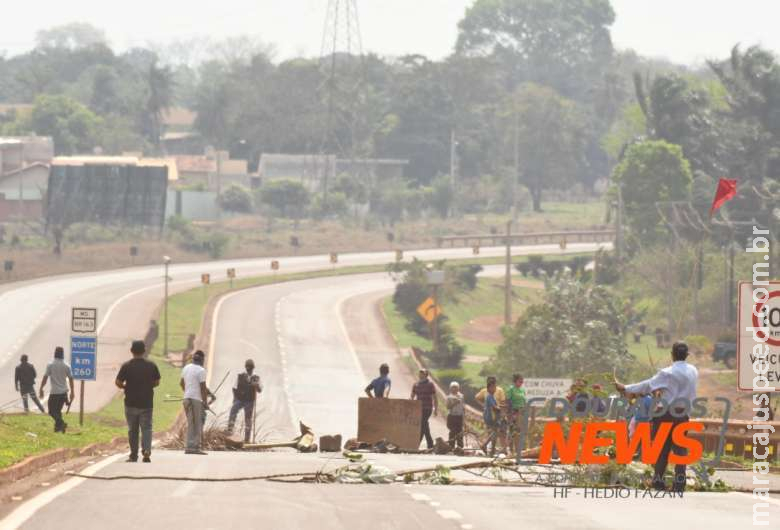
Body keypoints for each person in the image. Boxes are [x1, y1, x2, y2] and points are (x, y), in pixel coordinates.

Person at [615, 341, 698, 492]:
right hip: (683, 415)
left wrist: (625, 387)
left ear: (672, 354)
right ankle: (679, 484)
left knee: (662, 449)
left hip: (666, 414)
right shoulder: (693, 371)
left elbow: (648, 385)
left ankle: (658, 481)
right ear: (687, 355)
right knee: (680, 450)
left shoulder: (667, 373)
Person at [115, 340, 161, 463]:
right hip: (146, 403)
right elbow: (157, 382)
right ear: (144, 351)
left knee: (132, 430)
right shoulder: (151, 365)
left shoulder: (126, 366)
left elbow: (118, 382)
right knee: (146, 428)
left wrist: (126, 387)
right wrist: (148, 386)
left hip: (130, 403)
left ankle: (133, 455)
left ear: (131, 351)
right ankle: (146, 450)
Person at [38, 347, 74, 433]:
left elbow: (45, 377)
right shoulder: (66, 366)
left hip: (55, 392)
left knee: (51, 411)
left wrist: (41, 388)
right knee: (58, 411)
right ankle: (58, 428)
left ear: (55, 353)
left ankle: (62, 423)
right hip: (64, 393)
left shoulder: (50, 365)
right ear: (62, 354)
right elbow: (71, 379)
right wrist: (72, 392)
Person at [180, 350, 209, 455]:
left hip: (186, 399)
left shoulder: (186, 368)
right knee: (197, 423)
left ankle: (189, 447)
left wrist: (187, 391)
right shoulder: (201, 370)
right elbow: (203, 388)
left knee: (191, 423)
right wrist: (205, 402)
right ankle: (195, 447)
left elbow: (181, 383)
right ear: (202, 359)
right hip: (196, 400)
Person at [227, 359, 262, 442]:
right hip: (240, 399)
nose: (248, 369)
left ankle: (247, 439)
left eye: (250, 368)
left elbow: (260, 390)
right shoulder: (240, 376)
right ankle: (229, 431)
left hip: (249, 401)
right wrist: (235, 399)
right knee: (233, 411)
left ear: (253, 368)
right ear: (245, 368)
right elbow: (234, 388)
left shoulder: (256, 378)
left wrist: (256, 386)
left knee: (248, 419)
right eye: (247, 367)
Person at [411, 369, 437, 450]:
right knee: (423, 424)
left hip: (427, 407)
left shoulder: (430, 384)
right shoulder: (416, 384)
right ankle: (430, 444)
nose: (420, 375)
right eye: (420, 373)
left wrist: (436, 409)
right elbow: (412, 395)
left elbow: (435, 397)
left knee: (423, 423)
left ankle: (420, 443)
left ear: (426, 375)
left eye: (422, 374)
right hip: (418, 408)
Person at [505, 374, 527, 452]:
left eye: (522, 382)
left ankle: (518, 449)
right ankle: (511, 449)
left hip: (521, 412)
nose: (521, 383)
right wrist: (510, 413)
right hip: (513, 411)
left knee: (519, 431)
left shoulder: (522, 390)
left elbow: (524, 401)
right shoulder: (511, 389)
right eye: (520, 381)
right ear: (515, 381)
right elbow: (507, 401)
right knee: (512, 430)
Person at [482, 378, 502, 455]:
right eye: (493, 387)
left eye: (495, 387)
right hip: (490, 417)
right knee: (494, 433)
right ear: (489, 388)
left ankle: (491, 450)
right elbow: (494, 407)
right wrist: (501, 409)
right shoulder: (489, 396)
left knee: (494, 434)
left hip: (493, 417)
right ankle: (485, 445)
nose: (494, 389)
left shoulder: (492, 396)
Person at [445, 381, 465, 450]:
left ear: (458, 388)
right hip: (452, 416)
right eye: (453, 387)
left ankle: (460, 446)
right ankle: (451, 446)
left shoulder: (461, 396)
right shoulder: (449, 397)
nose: (454, 389)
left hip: (459, 416)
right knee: (452, 432)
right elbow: (448, 407)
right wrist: (455, 403)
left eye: (456, 387)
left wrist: (464, 417)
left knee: (460, 432)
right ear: (450, 388)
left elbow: (463, 407)